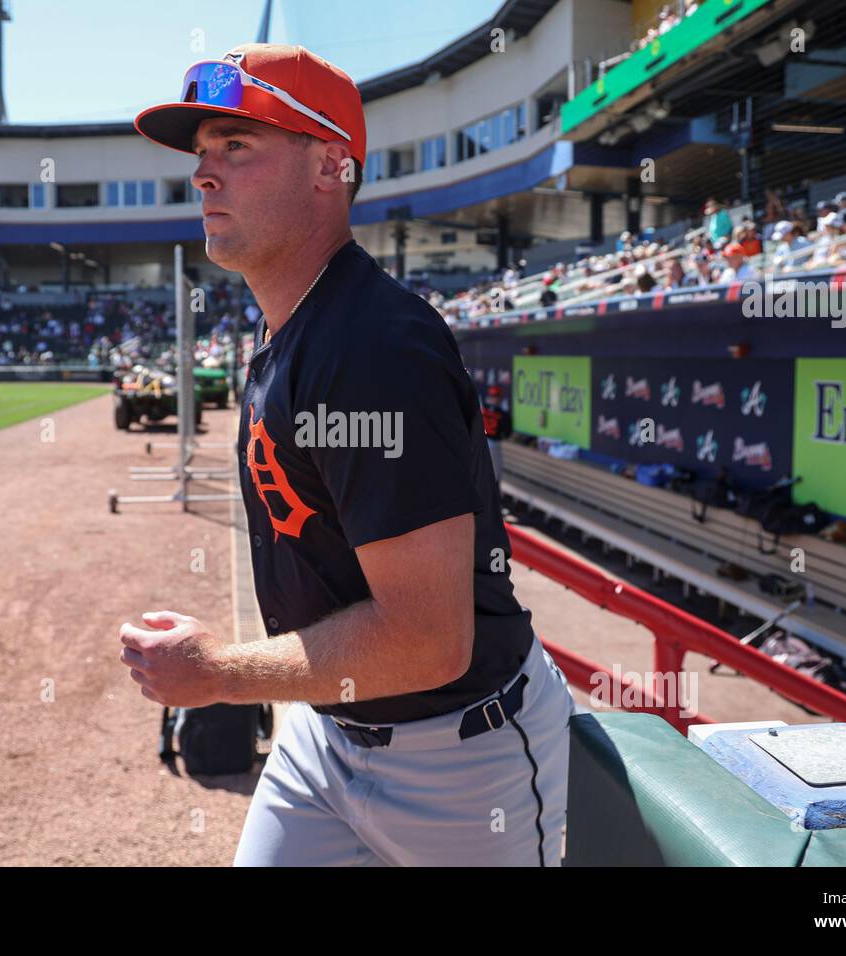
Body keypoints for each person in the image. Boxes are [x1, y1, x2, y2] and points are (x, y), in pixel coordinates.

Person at [130, 43, 573, 867]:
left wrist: (219, 672)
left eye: (237, 146)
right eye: (201, 154)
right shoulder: (293, 321)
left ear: (331, 166)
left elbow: (428, 640)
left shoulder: (370, 347)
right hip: (326, 731)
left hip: (461, 761)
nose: (204, 175)